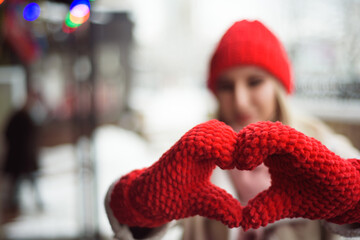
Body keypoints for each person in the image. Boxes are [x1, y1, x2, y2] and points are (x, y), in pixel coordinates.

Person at [104, 20, 360, 240]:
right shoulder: (193, 154)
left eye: (254, 82)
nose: (239, 100)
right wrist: (142, 204)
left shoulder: (328, 148)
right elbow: (125, 216)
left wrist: (350, 199)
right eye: (226, 86)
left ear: (279, 87)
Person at [2, 92, 43, 215]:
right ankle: (13, 203)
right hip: (21, 157)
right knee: (18, 182)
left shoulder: (26, 117)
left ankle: (18, 203)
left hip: (24, 157)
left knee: (26, 181)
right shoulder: (20, 117)